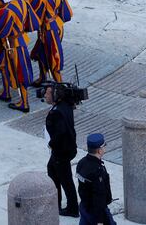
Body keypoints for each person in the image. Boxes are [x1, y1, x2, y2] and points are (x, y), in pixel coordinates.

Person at [29, 0, 73, 84]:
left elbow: (35, 18)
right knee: (41, 52)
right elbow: (67, 14)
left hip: (48, 31)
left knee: (53, 58)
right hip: (57, 27)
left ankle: (60, 85)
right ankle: (43, 77)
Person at [43, 83, 79, 217]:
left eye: (47, 93)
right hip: (65, 149)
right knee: (52, 170)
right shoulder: (65, 106)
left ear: (55, 95)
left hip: (61, 151)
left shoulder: (57, 112)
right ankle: (55, 203)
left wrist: (51, 143)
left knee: (66, 180)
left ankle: (72, 209)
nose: (45, 95)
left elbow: (61, 132)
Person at [76, 134, 115, 225]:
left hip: (85, 206)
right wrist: (100, 221)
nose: (105, 148)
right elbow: (99, 197)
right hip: (96, 211)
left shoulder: (82, 163)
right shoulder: (97, 171)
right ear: (99, 150)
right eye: (104, 146)